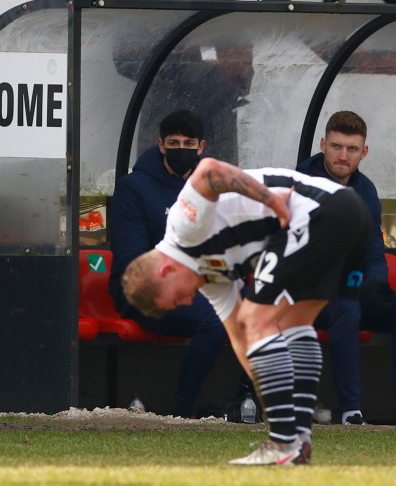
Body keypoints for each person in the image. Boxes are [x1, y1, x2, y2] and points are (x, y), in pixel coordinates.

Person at [122, 158, 371, 465]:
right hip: (354, 216)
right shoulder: (210, 279)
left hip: (322, 212)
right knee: (296, 322)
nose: (186, 303)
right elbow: (242, 340)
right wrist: (272, 390)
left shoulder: (182, 226)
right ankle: (299, 442)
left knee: (256, 317)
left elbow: (208, 171)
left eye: (175, 299)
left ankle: (282, 443)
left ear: (165, 271)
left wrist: (270, 200)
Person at [297, 111, 396, 425]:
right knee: (347, 310)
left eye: (352, 149)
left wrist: (375, 284)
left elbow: (372, 249)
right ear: (323, 145)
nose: (343, 155)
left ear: (363, 152)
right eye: (337, 146)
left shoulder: (366, 191)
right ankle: (351, 412)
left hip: (352, 290)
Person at [109, 109, 230, 418]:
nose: (181, 150)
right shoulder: (133, 188)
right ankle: (183, 410)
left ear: (201, 147)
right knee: (214, 319)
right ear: (160, 145)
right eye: (173, 143)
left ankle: (246, 403)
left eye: (188, 143)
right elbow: (130, 261)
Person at [115, 0, 251, 165]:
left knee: (217, 194)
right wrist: (187, 61)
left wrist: (239, 69)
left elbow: (240, 53)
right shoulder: (145, 2)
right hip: (166, 124)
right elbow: (125, 59)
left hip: (218, 126)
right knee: (160, 194)